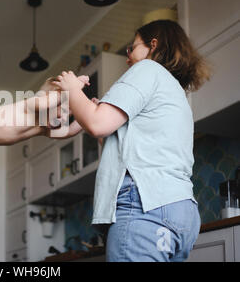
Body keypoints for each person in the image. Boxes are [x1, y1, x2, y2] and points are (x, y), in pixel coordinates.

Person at [51, 19, 211, 262]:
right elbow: (119, 140)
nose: (128, 58)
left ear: (153, 46)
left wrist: (72, 88)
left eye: (131, 48)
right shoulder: (174, 90)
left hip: (144, 207)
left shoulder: (148, 69)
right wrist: (91, 112)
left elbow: (97, 124)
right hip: (181, 213)